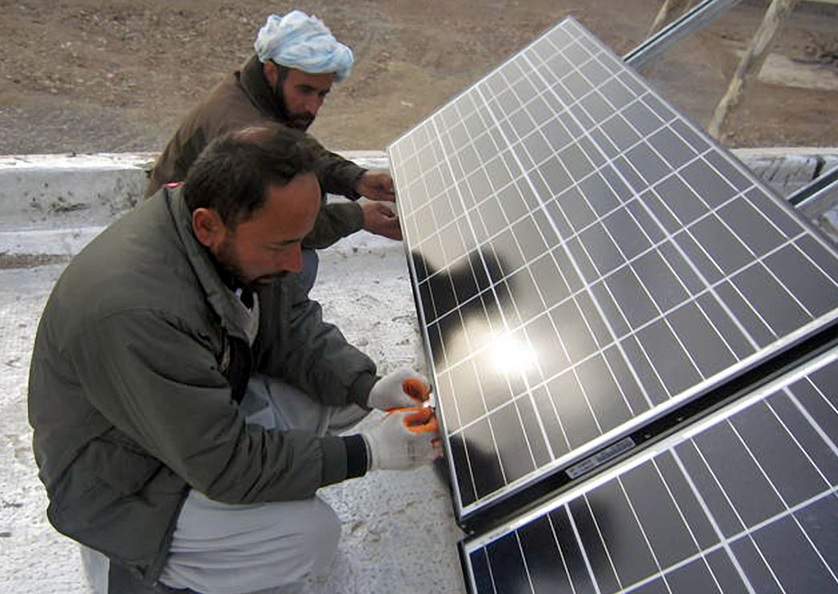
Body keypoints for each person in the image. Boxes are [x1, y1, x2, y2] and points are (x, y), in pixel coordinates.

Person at [28, 124, 439, 594]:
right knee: (307, 536)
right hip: (120, 484)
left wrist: (365, 384)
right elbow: (224, 465)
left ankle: (206, 538)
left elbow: (288, 327)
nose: (294, 264)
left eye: (297, 241)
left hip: (169, 428)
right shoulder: (137, 313)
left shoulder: (223, 228)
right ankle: (126, 567)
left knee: (334, 400)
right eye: (281, 246)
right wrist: (367, 453)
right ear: (207, 225)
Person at [146, 10, 401, 291]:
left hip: (211, 229)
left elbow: (296, 152)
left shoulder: (256, 92)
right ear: (271, 71)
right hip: (180, 255)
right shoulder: (241, 129)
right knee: (295, 269)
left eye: (322, 94)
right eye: (305, 90)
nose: (313, 107)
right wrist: (359, 217)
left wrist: (356, 179)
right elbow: (280, 223)